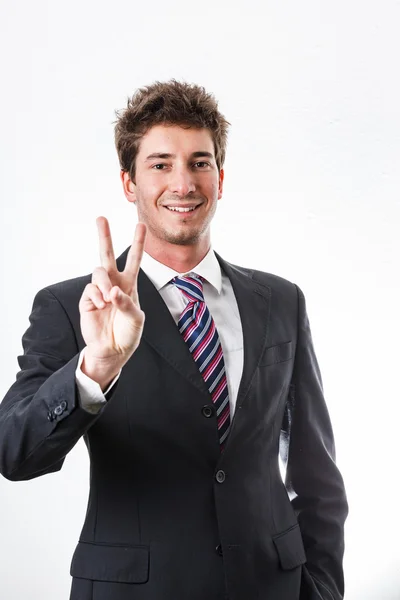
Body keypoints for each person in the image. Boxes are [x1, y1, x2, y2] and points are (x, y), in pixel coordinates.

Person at [0, 80, 348, 600]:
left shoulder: (281, 301)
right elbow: (14, 453)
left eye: (200, 162)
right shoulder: (71, 306)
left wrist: (319, 588)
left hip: (271, 586)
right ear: (129, 183)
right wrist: (95, 367)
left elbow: (316, 474)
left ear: (221, 178)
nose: (183, 183)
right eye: (160, 164)